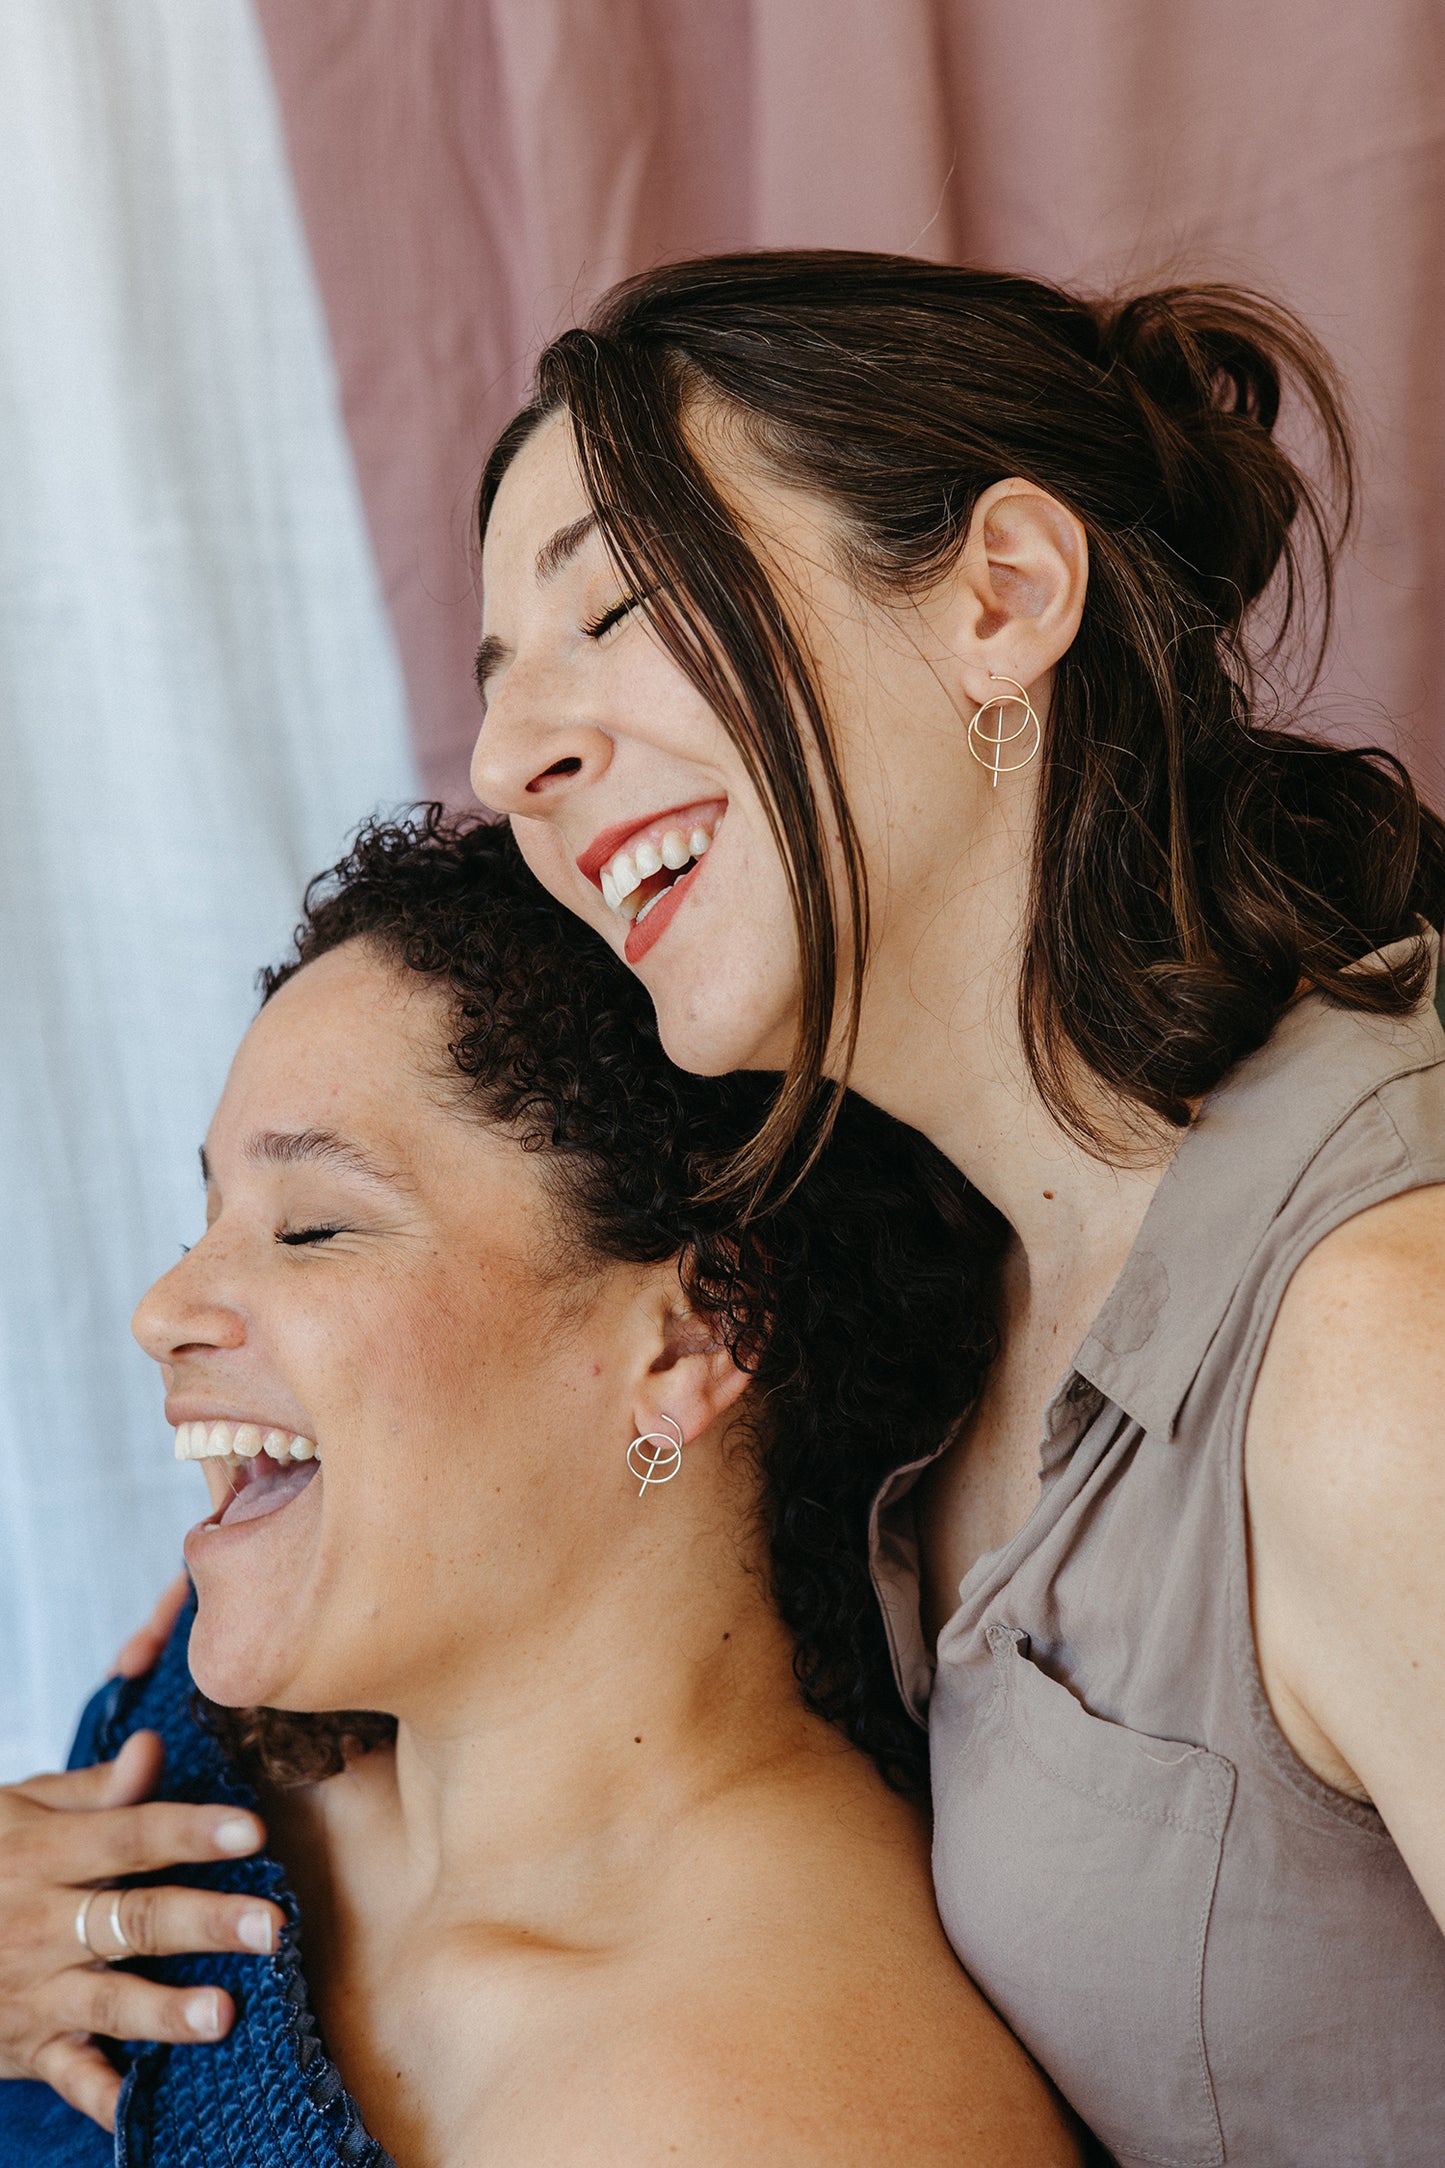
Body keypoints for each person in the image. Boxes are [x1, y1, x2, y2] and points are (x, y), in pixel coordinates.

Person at [459, 254, 1445, 2164]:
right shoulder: (946, 1284)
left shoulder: (1374, 1357)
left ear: (998, 598)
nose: (509, 763)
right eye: (498, 697)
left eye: (618, 607)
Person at [0, 813, 1075, 2165]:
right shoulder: (203, 1754)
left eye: (313, 1228)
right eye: (202, 1220)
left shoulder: (777, 2114)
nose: (163, 1309)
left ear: (686, 1340)